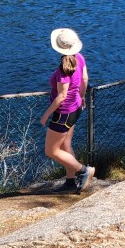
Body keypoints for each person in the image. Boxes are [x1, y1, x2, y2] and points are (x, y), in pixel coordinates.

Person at [40, 27, 95, 193]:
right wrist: (82, 96)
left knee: (51, 151)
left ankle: (84, 170)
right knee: (65, 145)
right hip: (76, 108)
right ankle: (71, 181)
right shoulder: (79, 58)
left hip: (63, 114)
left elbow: (61, 96)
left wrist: (46, 115)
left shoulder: (63, 70)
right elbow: (84, 79)